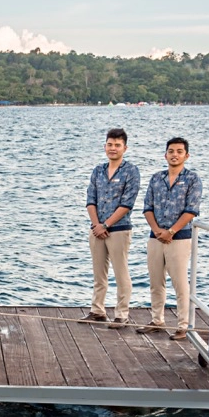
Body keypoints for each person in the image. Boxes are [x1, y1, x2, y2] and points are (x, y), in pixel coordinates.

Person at [137, 137, 201, 340]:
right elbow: (147, 207)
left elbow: (191, 211)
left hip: (179, 238)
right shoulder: (157, 178)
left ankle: (184, 325)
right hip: (155, 236)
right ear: (165, 155)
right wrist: (156, 229)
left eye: (179, 151)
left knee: (180, 283)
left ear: (186, 155)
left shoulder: (192, 179)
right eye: (171, 151)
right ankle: (157, 320)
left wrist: (171, 231)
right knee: (156, 281)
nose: (175, 154)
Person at [81, 128, 140, 328]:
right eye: (110, 144)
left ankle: (122, 314)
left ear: (125, 148)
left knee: (121, 272)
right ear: (105, 146)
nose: (113, 148)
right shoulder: (98, 170)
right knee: (99, 273)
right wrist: (97, 225)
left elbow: (127, 203)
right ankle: (97, 310)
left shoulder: (131, 171)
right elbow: (90, 200)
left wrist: (107, 224)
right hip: (96, 228)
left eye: (117, 145)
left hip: (119, 228)